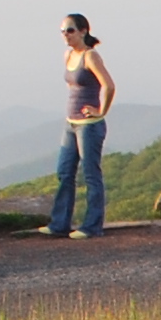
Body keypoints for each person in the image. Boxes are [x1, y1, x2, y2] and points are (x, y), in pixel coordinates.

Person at [50, 13, 118, 238]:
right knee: (65, 172)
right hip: (71, 123)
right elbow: (75, 86)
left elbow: (108, 86)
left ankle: (92, 226)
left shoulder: (91, 57)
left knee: (90, 174)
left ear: (83, 31)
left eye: (70, 30)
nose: (65, 35)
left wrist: (101, 111)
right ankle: (59, 224)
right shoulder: (68, 56)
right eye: (63, 31)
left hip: (89, 125)